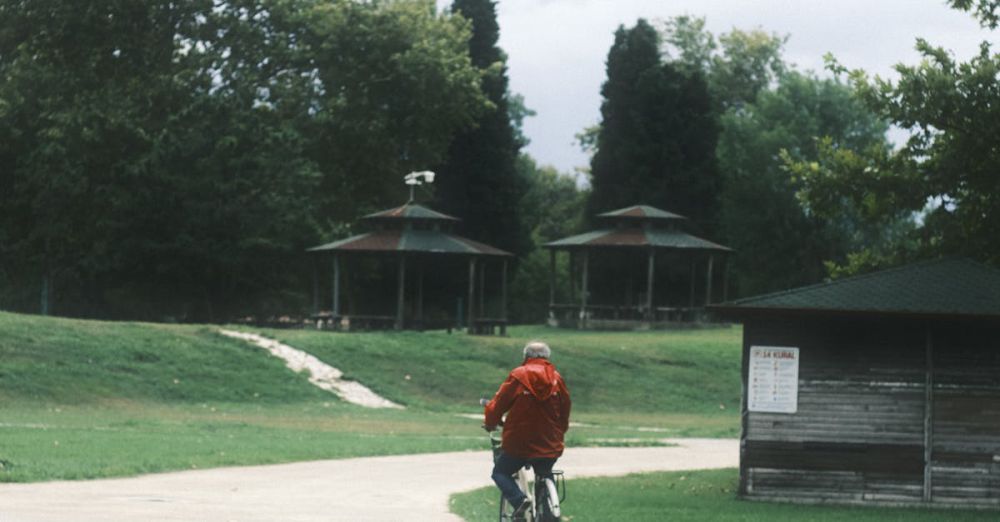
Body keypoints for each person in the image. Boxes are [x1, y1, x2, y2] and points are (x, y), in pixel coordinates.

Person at [483, 340, 572, 519]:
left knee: (500, 472)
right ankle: (549, 512)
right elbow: (565, 409)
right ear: (547, 358)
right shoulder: (557, 378)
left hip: (519, 443)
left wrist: (491, 422)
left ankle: (519, 500)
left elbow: (497, 406)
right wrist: (560, 431)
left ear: (526, 357)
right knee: (545, 471)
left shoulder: (519, 375)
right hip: (549, 442)